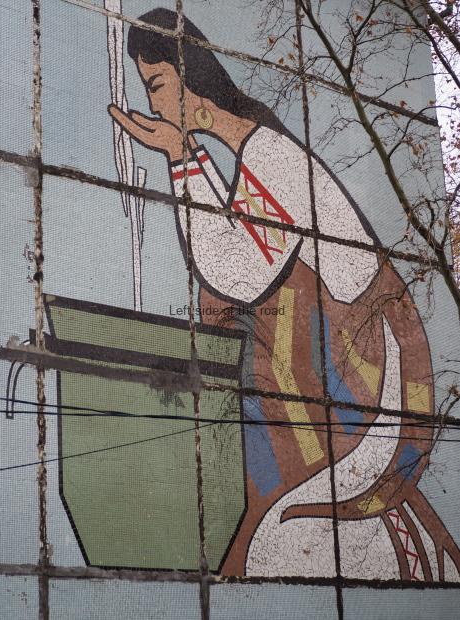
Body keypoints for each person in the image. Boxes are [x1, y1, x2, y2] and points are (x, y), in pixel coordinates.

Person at [108, 8, 460, 581]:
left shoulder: (271, 156)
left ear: (189, 75)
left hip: (367, 383)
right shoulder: (257, 152)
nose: (152, 102)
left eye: (156, 84)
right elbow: (236, 252)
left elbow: (238, 272)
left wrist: (180, 157)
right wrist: (186, 156)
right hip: (328, 375)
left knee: (276, 541)